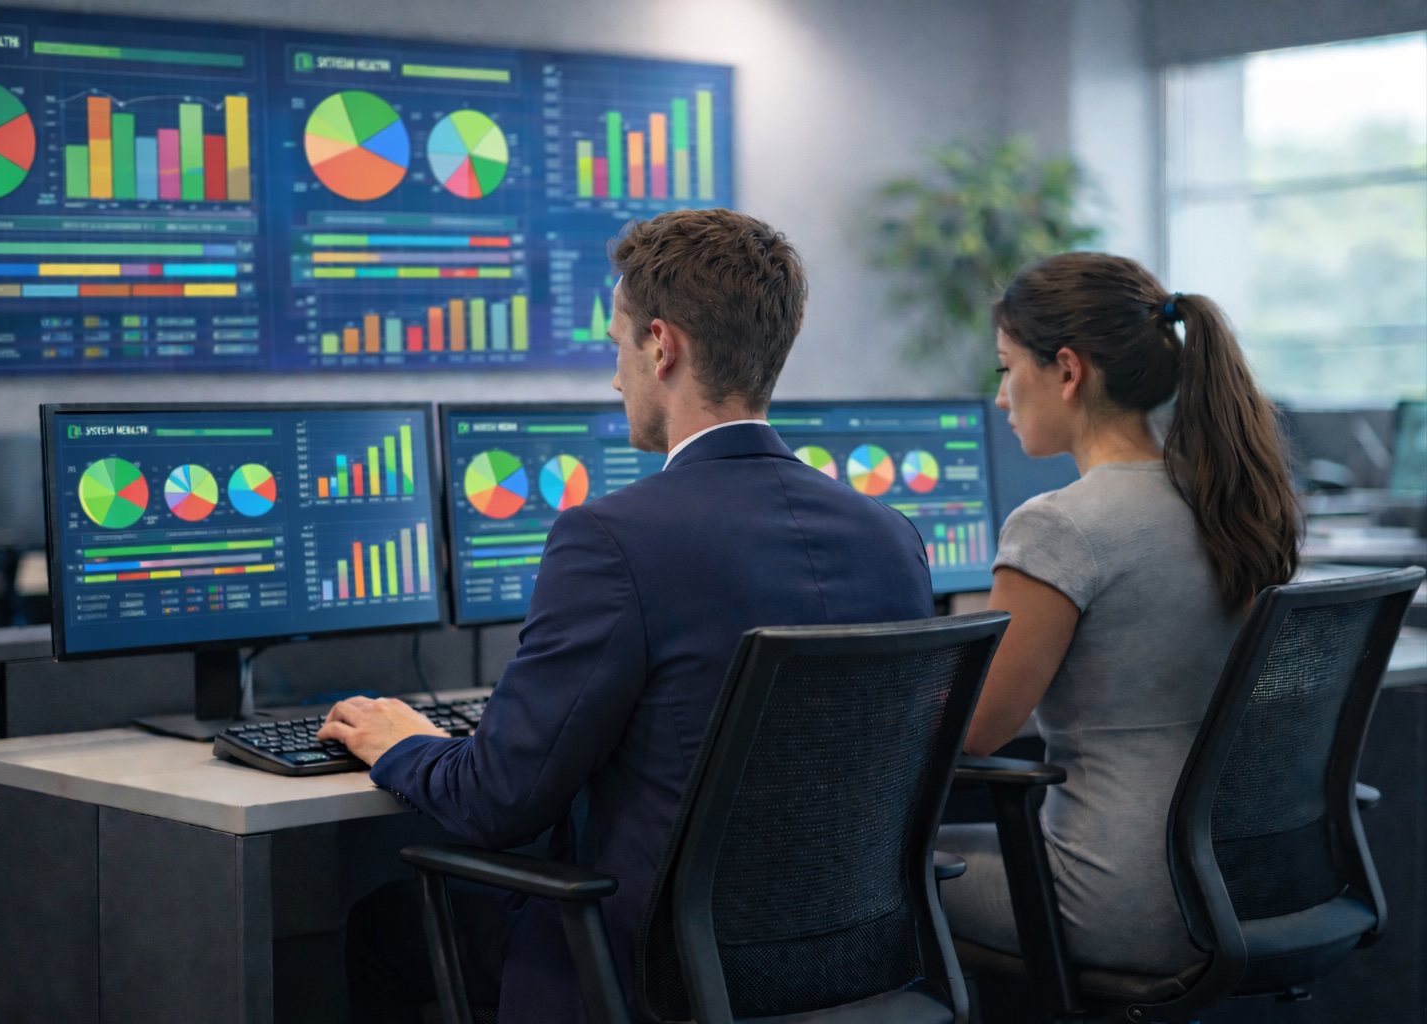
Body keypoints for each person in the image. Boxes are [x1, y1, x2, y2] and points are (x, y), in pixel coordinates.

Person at [319, 208, 936, 1023]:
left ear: (661, 345)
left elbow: (497, 802)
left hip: (645, 974)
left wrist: (404, 745)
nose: (615, 378)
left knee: (380, 925)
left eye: (617, 347)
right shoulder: (891, 538)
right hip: (847, 965)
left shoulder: (609, 541)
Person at [939, 252, 1302, 977]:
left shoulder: (1059, 528)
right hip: (1235, 882)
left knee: (867, 877)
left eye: (1007, 368)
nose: (1003, 398)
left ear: (1067, 371)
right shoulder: (1229, 503)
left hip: (1116, 899)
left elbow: (978, 727)